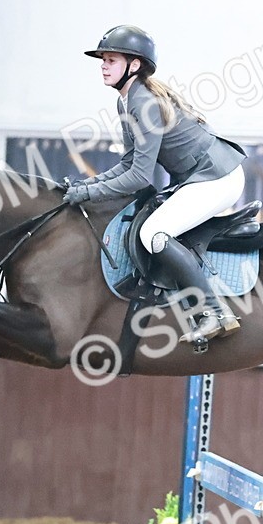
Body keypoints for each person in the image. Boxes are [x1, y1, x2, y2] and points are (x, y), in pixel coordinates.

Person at [65, 25, 248, 346]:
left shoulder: (144, 103)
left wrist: (89, 192)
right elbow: (128, 164)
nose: (103, 66)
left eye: (111, 60)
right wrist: (88, 185)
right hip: (200, 177)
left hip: (217, 177)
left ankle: (214, 312)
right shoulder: (126, 102)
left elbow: (139, 178)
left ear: (134, 65)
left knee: (153, 234)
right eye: (103, 61)